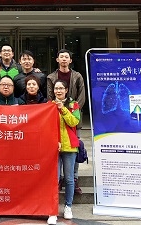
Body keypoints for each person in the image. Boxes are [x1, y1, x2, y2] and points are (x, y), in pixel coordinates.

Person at [47, 49, 86, 194]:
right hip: (55, 117)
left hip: (72, 117)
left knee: (74, 148)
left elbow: (81, 96)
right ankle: (58, 180)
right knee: (56, 151)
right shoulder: (51, 77)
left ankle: (74, 179)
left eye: (66, 57)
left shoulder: (77, 76)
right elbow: (50, 96)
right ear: (57, 59)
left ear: (70, 60)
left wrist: (72, 109)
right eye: (61, 57)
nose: (64, 59)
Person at [48, 80, 80, 225]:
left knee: (69, 179)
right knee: (53, 180)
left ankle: (68, 207)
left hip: (69, 147)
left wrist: (63, 109)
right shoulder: (49, 105)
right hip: (53, 147)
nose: (58, 91)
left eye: (61, 88)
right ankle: (52, 210)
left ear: (66, 90)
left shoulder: (73, 105)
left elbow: (74, 122)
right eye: (56, 88)